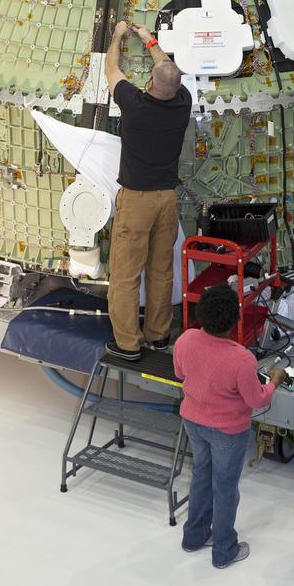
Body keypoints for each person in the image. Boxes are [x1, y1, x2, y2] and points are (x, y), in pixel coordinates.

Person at [173, 285, 288, 569]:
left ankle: (194, 536)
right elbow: (256, 399)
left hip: (192, 422)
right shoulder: (241, 359)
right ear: (236, 319)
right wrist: (274, 381)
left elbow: (180, 373)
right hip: (227, 431)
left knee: (202, 475)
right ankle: (224, 550)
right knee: (225, 488)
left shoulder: (186, 340)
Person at [104, 20, 192, 361]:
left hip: (137, 201)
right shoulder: (182, 102)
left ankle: (127, 344)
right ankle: (158, 335)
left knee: (125, 274)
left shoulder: (135, 104)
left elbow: (111, 68)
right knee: (160, 269)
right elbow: (167, 70)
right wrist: (150, 40)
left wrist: (118, 36)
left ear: (151, 82)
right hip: (167, 200)